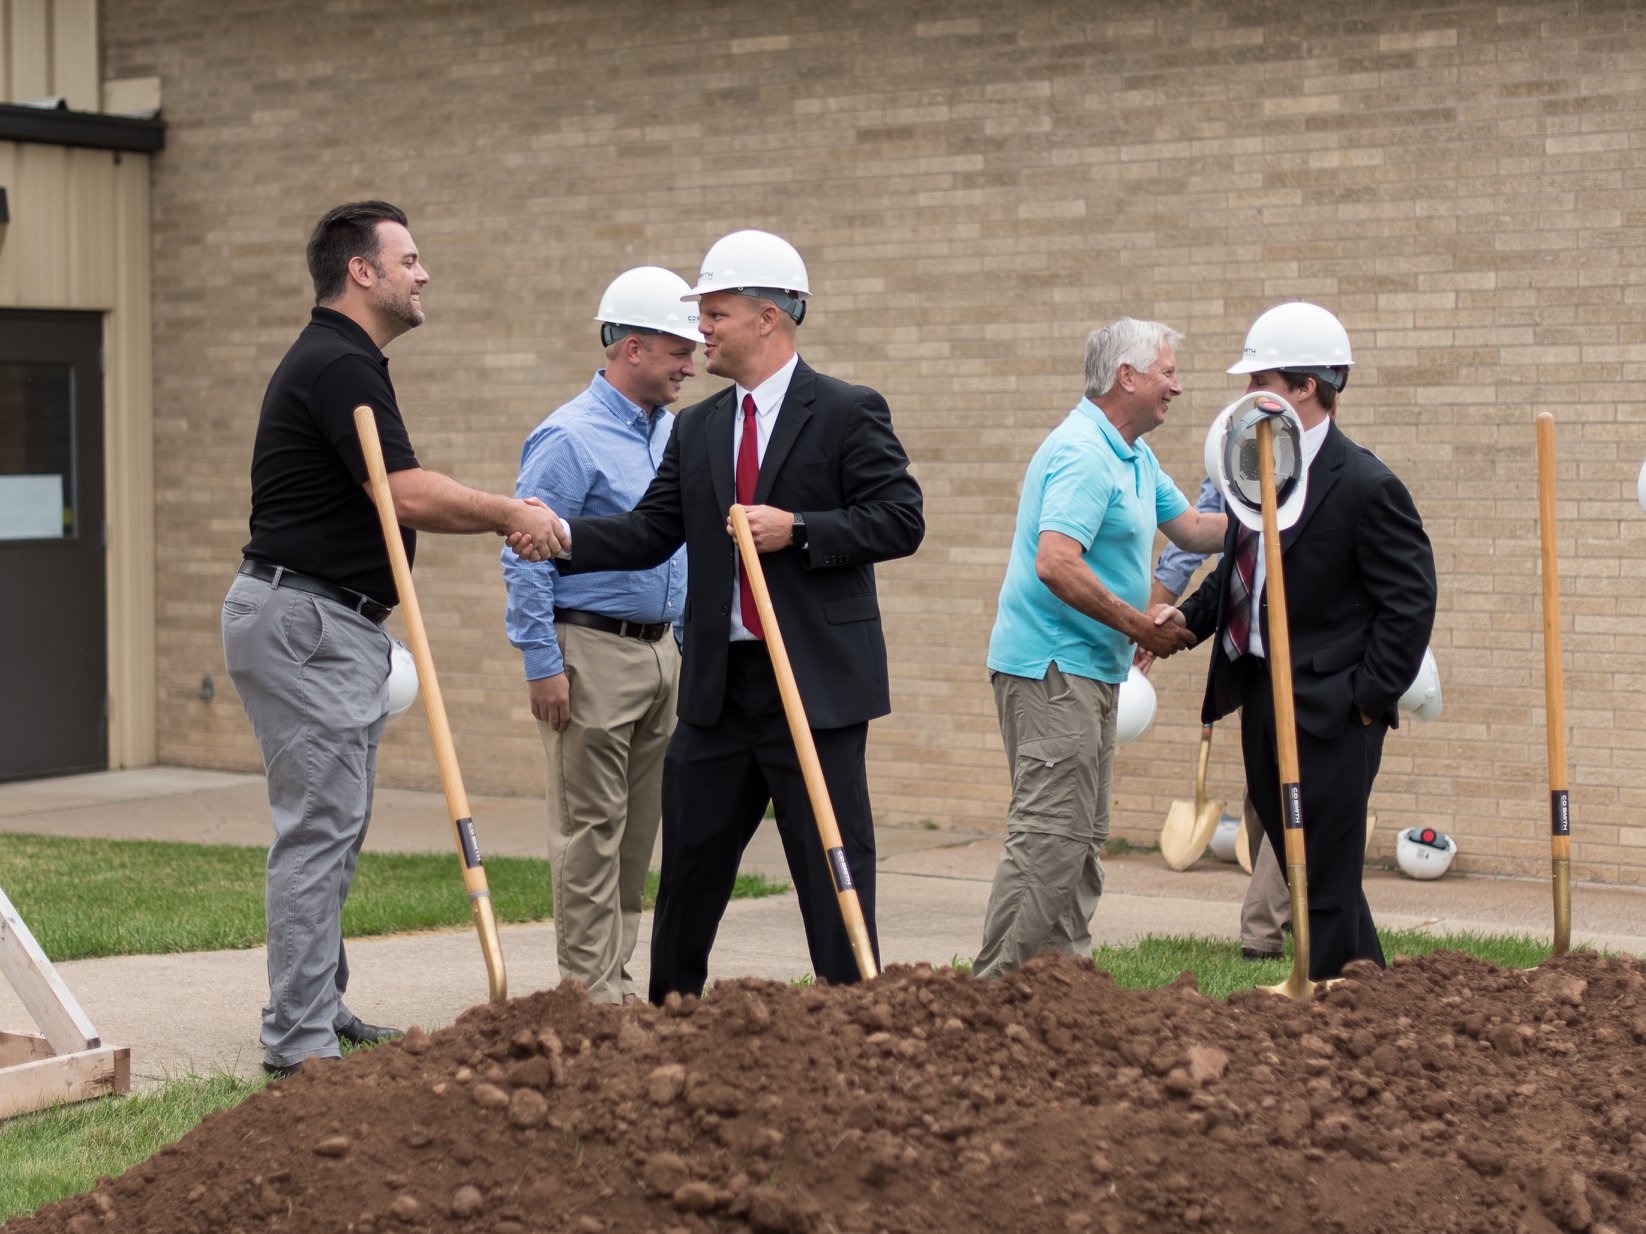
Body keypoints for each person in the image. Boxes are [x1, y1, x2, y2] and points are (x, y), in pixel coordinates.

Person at [222, 201, 565, 1079]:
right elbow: (404, 493)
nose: (424, 274)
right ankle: (297, 1042)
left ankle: (315, 1008)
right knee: (318, 830)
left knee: (334, 827)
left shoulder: (344, 362)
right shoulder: (338, 364)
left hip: (326, 620)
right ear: (360, 272)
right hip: (305, 621)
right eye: (408, 259)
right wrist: (509, 514)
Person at [556, 229, 924, 1002]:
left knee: (832, 860)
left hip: (814, 686)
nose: (702, 332)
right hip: (720, 689)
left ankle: (850, 1018)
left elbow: (899, 518)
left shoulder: (848, 412)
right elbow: (650, 532)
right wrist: (558, 536)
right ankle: (672, 1013)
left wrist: (802, 529)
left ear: (767, 317)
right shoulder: (697, 428)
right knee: (690, 865)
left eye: (714, 313)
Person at [1160, 301, 1437, 981]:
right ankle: (1365, 991)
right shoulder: (1262, 468)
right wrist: (1184, 626)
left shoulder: (1367, 485)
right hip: (1260, 693)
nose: (1249, 396)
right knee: (1302, 869)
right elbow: (1240, 573)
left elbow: (1410, 603)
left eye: (1263, 381)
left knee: (1328, 876)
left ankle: (1332, 1007)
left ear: (1306, 387)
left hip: (1333, 711)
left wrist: (1364, 701)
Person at [973, 319, 1226, 980]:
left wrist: (1279, 512)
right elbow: (1055, 563)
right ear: (1128, 378)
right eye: (1167, 371)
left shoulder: (1132, 456)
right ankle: (992, 993)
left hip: (1090, 670)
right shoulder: (1084, 451)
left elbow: (1196, 531)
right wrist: (1138, 626)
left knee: (1080, 841)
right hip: (1052, 667)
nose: (1177, 384)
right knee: (1049, 836)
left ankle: (1064, 991)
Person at [501, 267, 697, 1005]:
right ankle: (588, 996)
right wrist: (541, 662)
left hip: (660, 653)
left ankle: (616, 981)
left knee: (636, 834)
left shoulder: (672, 434)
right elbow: (521, 553)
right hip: (589, 653)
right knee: (591, 832)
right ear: (633, 348)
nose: (692, 360)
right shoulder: (568, 436)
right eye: (678, 347)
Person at [1141, 476, 1290, 961]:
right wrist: (1177, 618)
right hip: (1256, 673)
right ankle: (1299, 914)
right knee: (1261, 801)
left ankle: (1261, 934)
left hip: (1314, 678)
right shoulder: (1244, 476)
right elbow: (1232, 569)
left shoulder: (1334, 483)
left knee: (1296, 799)